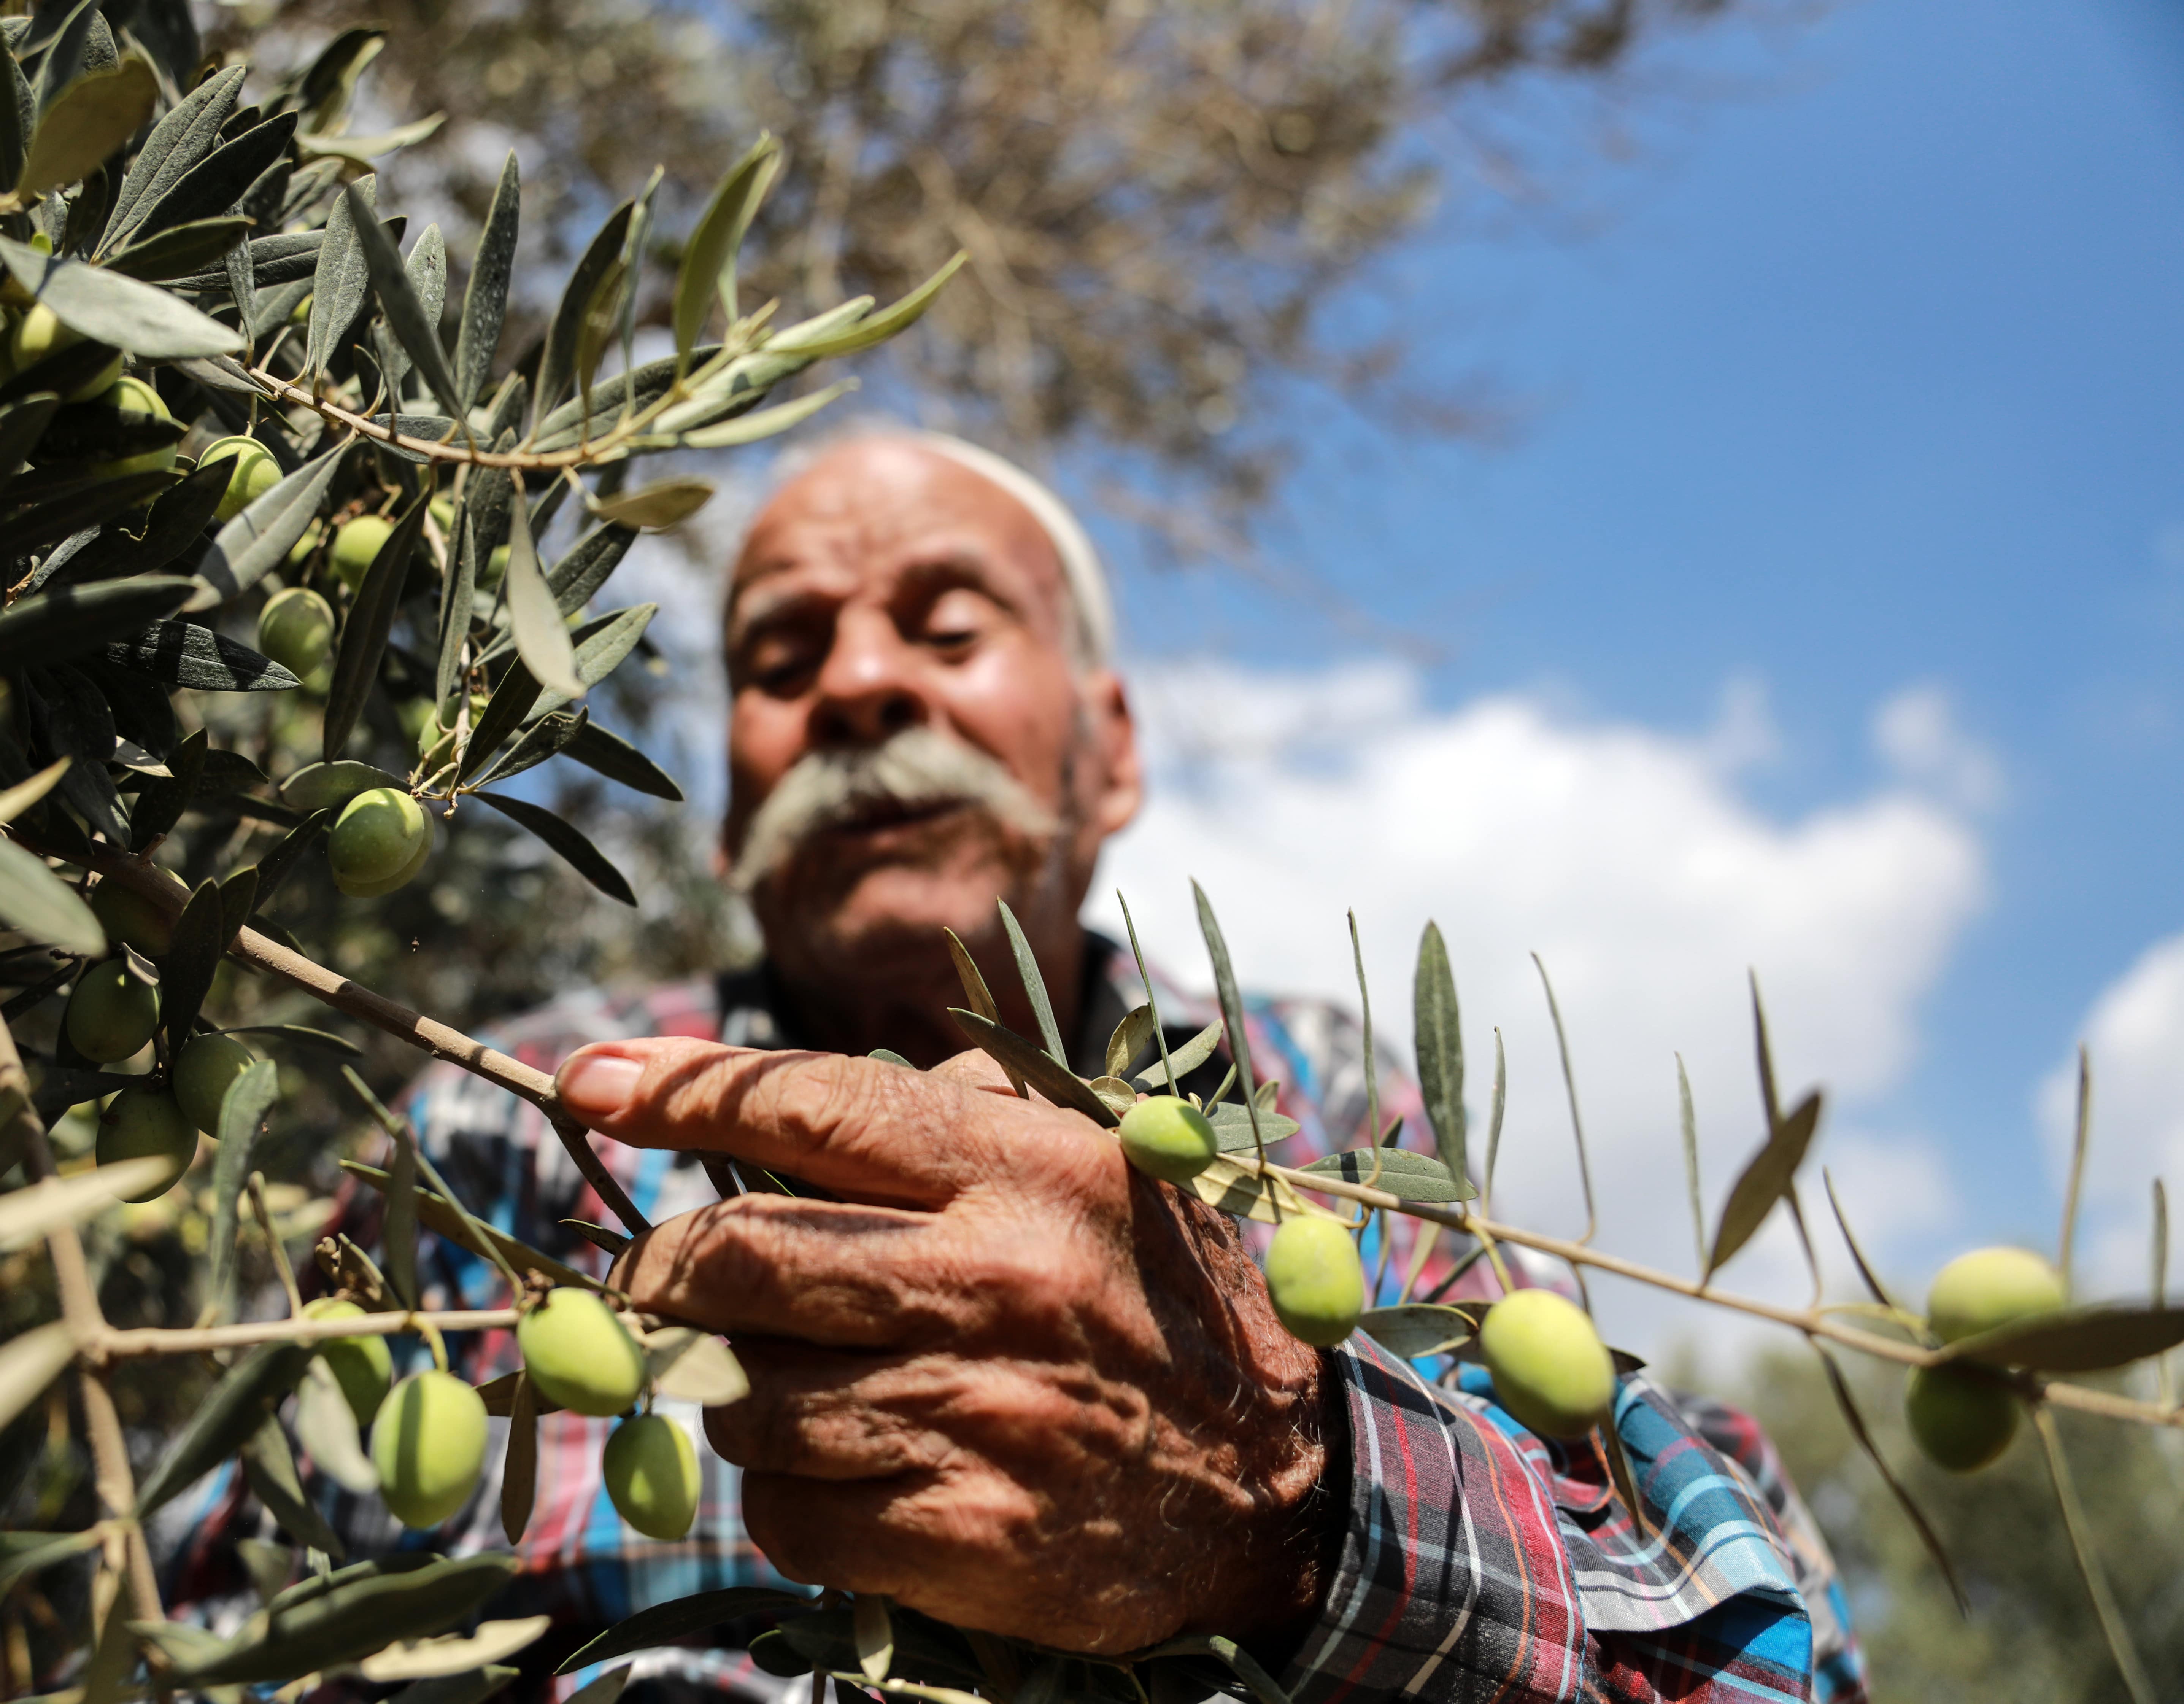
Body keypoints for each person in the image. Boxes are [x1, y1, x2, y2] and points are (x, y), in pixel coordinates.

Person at [161, 433, 1866, 1704]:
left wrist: (1292, 1502)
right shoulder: (511, 1118)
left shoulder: (1312, 1112)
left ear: (1109, 750)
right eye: (781, 659)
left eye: (949, 626)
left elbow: (1764, 1653)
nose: (859, 682)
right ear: (733, 812)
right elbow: (222, 1625)